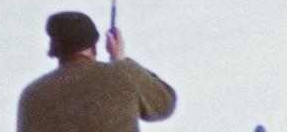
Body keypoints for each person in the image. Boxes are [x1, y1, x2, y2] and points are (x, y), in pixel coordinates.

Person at [17, 10, 176, 132]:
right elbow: (163, 104)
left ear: (55, 50)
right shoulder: (123, 75)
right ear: (93, 46)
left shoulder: (31, 96)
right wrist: (120, 60)